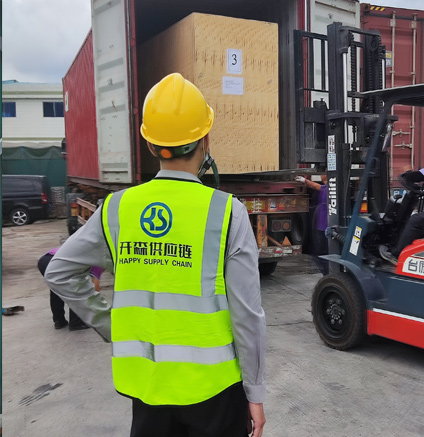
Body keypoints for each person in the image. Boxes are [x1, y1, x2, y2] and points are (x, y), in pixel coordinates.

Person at [45, 73, 266, 437]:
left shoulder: (117, 208)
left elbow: (59, 272)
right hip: (214, 392)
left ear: (150, 144)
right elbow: (247, 315)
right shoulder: (228, 212)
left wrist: (110, 324)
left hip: (147, 387)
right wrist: (255, 392)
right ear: (205, 139)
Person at [37, 248, 102, 330]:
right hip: (58, 263)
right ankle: (76, 323)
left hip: (44, 261)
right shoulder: (98, 261)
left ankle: (59, 321)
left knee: (56, 289)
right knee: (76, 289)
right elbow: (96, 287)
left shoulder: (88, 248)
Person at [295, 174, 329, 275]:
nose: (321, 175)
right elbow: (315, 186)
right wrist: (305, 181)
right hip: (324, 227)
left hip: (322, 227)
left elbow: (315, 186)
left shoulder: (327, 189)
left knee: (320, 254)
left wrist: (304, 180)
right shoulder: (330, 188)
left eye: (323, 174)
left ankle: (327, 274)